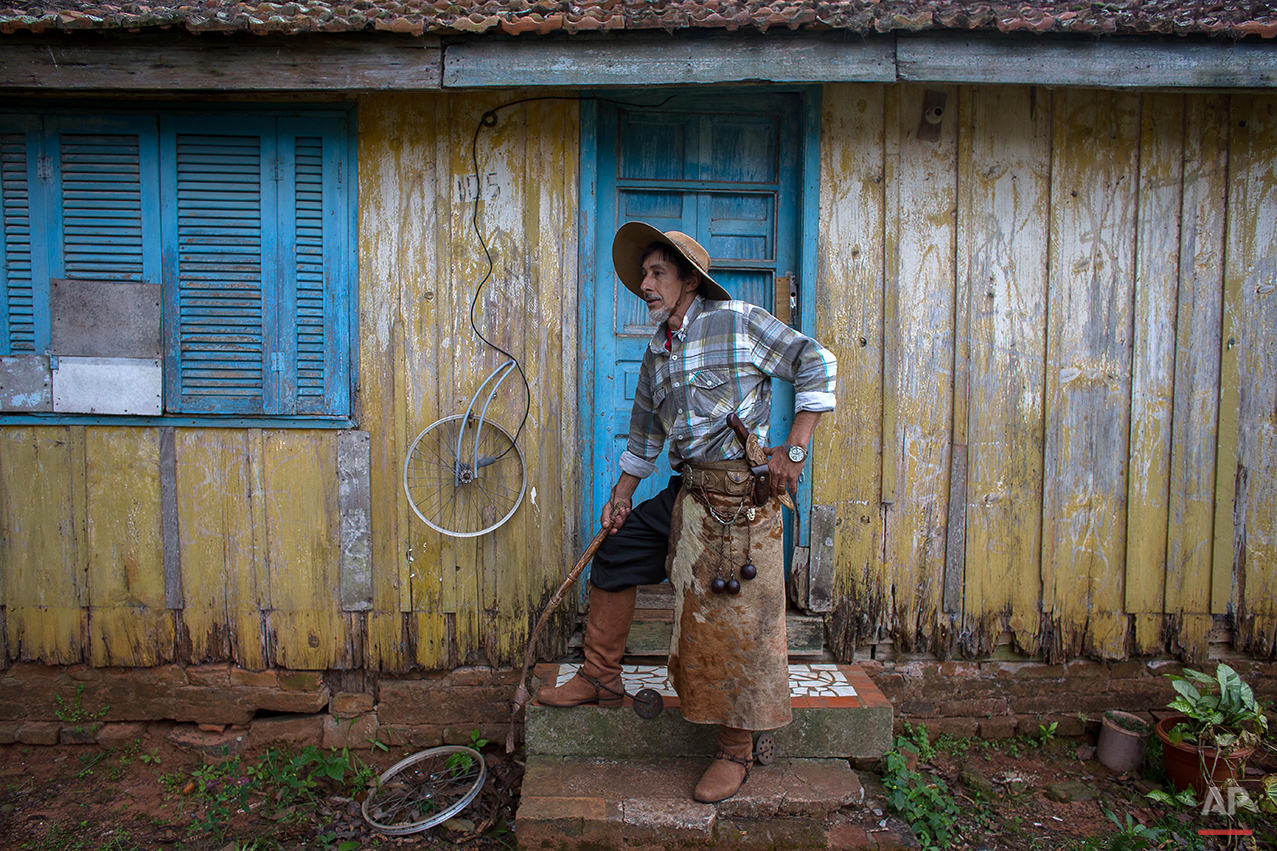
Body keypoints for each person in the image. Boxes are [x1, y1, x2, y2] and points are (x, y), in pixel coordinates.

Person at [537, 222, 837, 803]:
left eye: (657, 273)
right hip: (688, 492)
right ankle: (600, 676)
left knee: (737, 621)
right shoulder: (658, 353)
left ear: (688, 279)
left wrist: (794, 449)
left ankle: (736, 750)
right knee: (618, 549)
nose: (645, 285)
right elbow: (645, 435)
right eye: (643, 275)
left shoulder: (737, 321)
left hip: (739, 503)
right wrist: (621, 494)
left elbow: (816, 361)